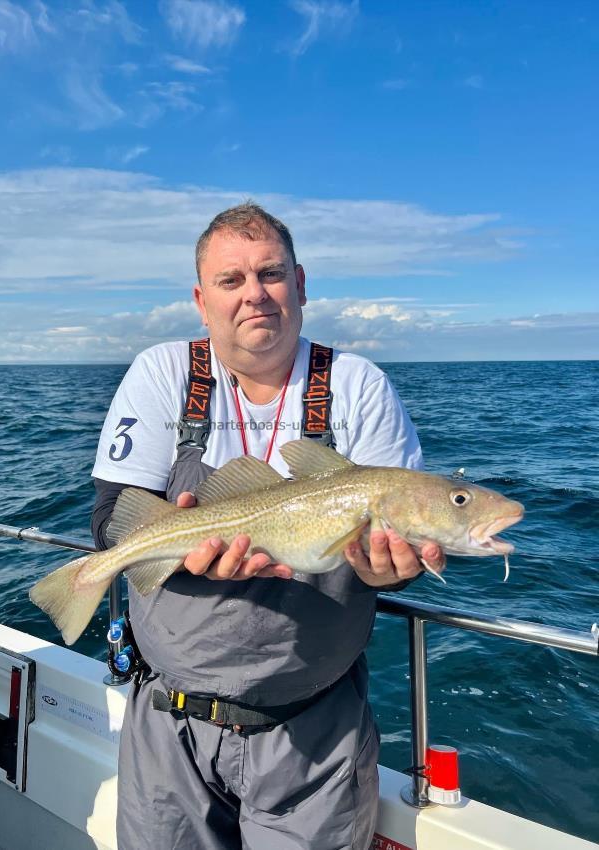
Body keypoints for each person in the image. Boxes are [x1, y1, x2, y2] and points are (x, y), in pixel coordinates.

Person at [91, 203, 445, 850]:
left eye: (271, 274)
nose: (255, 294)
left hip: (313, 737)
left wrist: (392, 564)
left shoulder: (357, 385)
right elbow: (113, 522)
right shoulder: (162, 372)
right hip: (168, 727)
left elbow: (394, 541)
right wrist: (180, 548)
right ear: (202, 300)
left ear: (301, 284)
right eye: (231, 280)